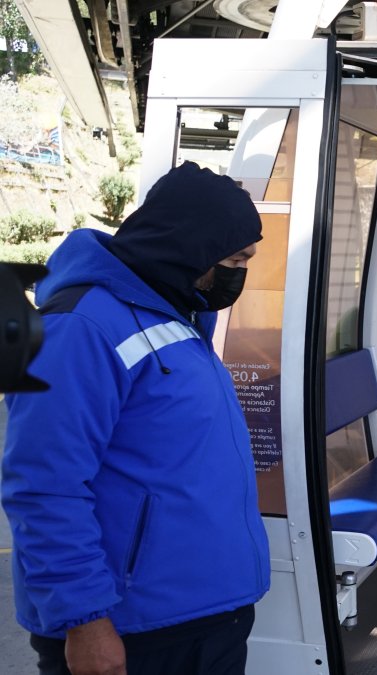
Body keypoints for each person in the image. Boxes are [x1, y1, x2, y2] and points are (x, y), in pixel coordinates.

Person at [2, 161, 270, 675]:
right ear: (189, 247)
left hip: (208, 614)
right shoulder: (80, 329)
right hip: (132, 629)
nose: (242, 271)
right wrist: (86, 621)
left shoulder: (176, 315)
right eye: (236, 257)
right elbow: (44, 486)